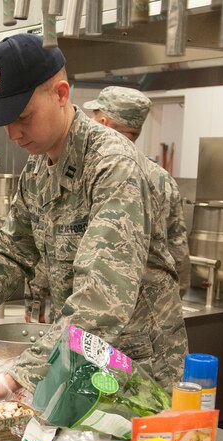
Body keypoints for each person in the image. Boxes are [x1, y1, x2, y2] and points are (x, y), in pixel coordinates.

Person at [0, 34, 187, 412]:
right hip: (79, 364)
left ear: (61, 94)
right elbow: (13, 249)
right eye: (4, 121)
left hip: (135, 374)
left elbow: (101, 297)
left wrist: (11, 379)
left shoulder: (112, 165)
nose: (13, 134)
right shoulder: (38, 168)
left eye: (22, 117)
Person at [83, 86, 191, 296]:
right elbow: (178, 250)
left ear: (102, 122)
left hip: (97, 304)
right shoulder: (162, 178)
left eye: (93, 116)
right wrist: (177, 297)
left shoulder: (92, 173)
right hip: (150, 304)